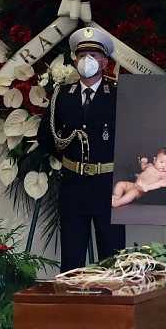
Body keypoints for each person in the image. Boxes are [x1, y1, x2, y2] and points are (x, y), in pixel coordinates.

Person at [37, 26, 125, 271]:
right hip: (73, 186)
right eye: (82, 55)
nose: (87, 60)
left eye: (94, 55)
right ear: (75, 60)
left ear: (104, 62)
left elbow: (130, 139)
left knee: (112, 259)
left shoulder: (118, 95)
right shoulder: (63, 95)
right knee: (72, 260)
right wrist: (71, 160)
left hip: (108, 186)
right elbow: (47, 137)